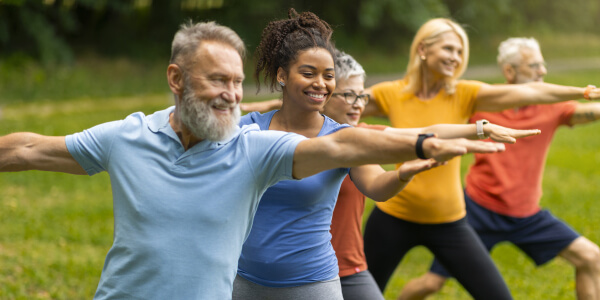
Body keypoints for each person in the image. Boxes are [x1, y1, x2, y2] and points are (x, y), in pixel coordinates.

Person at [0, 20, 510, 300]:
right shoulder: (128, 137)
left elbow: (349, 145)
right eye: (217, 81)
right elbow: (27, 149)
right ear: (176, 79)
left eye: (238, 83)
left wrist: (436, 139)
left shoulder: (252, 149)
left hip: (311, 278)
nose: (230, 96)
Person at [232, 10, 540, 300]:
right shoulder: (248, 131)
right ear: (282, 76)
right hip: (244, 279)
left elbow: (378, 182)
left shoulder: (342, 136)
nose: (321, 83)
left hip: (313, 281)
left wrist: (404, 173)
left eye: (328, 75)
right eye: (309, 73)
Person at [360, 18, 600, 300]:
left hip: (452, 220)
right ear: (422, 49)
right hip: (398, 216)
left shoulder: (465, 94)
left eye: (460, 51)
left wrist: (582, 92)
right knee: (369, 292)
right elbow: (343, 107)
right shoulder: (391, 94)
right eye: (449, 48)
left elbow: (530, 91)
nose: (456, 57)